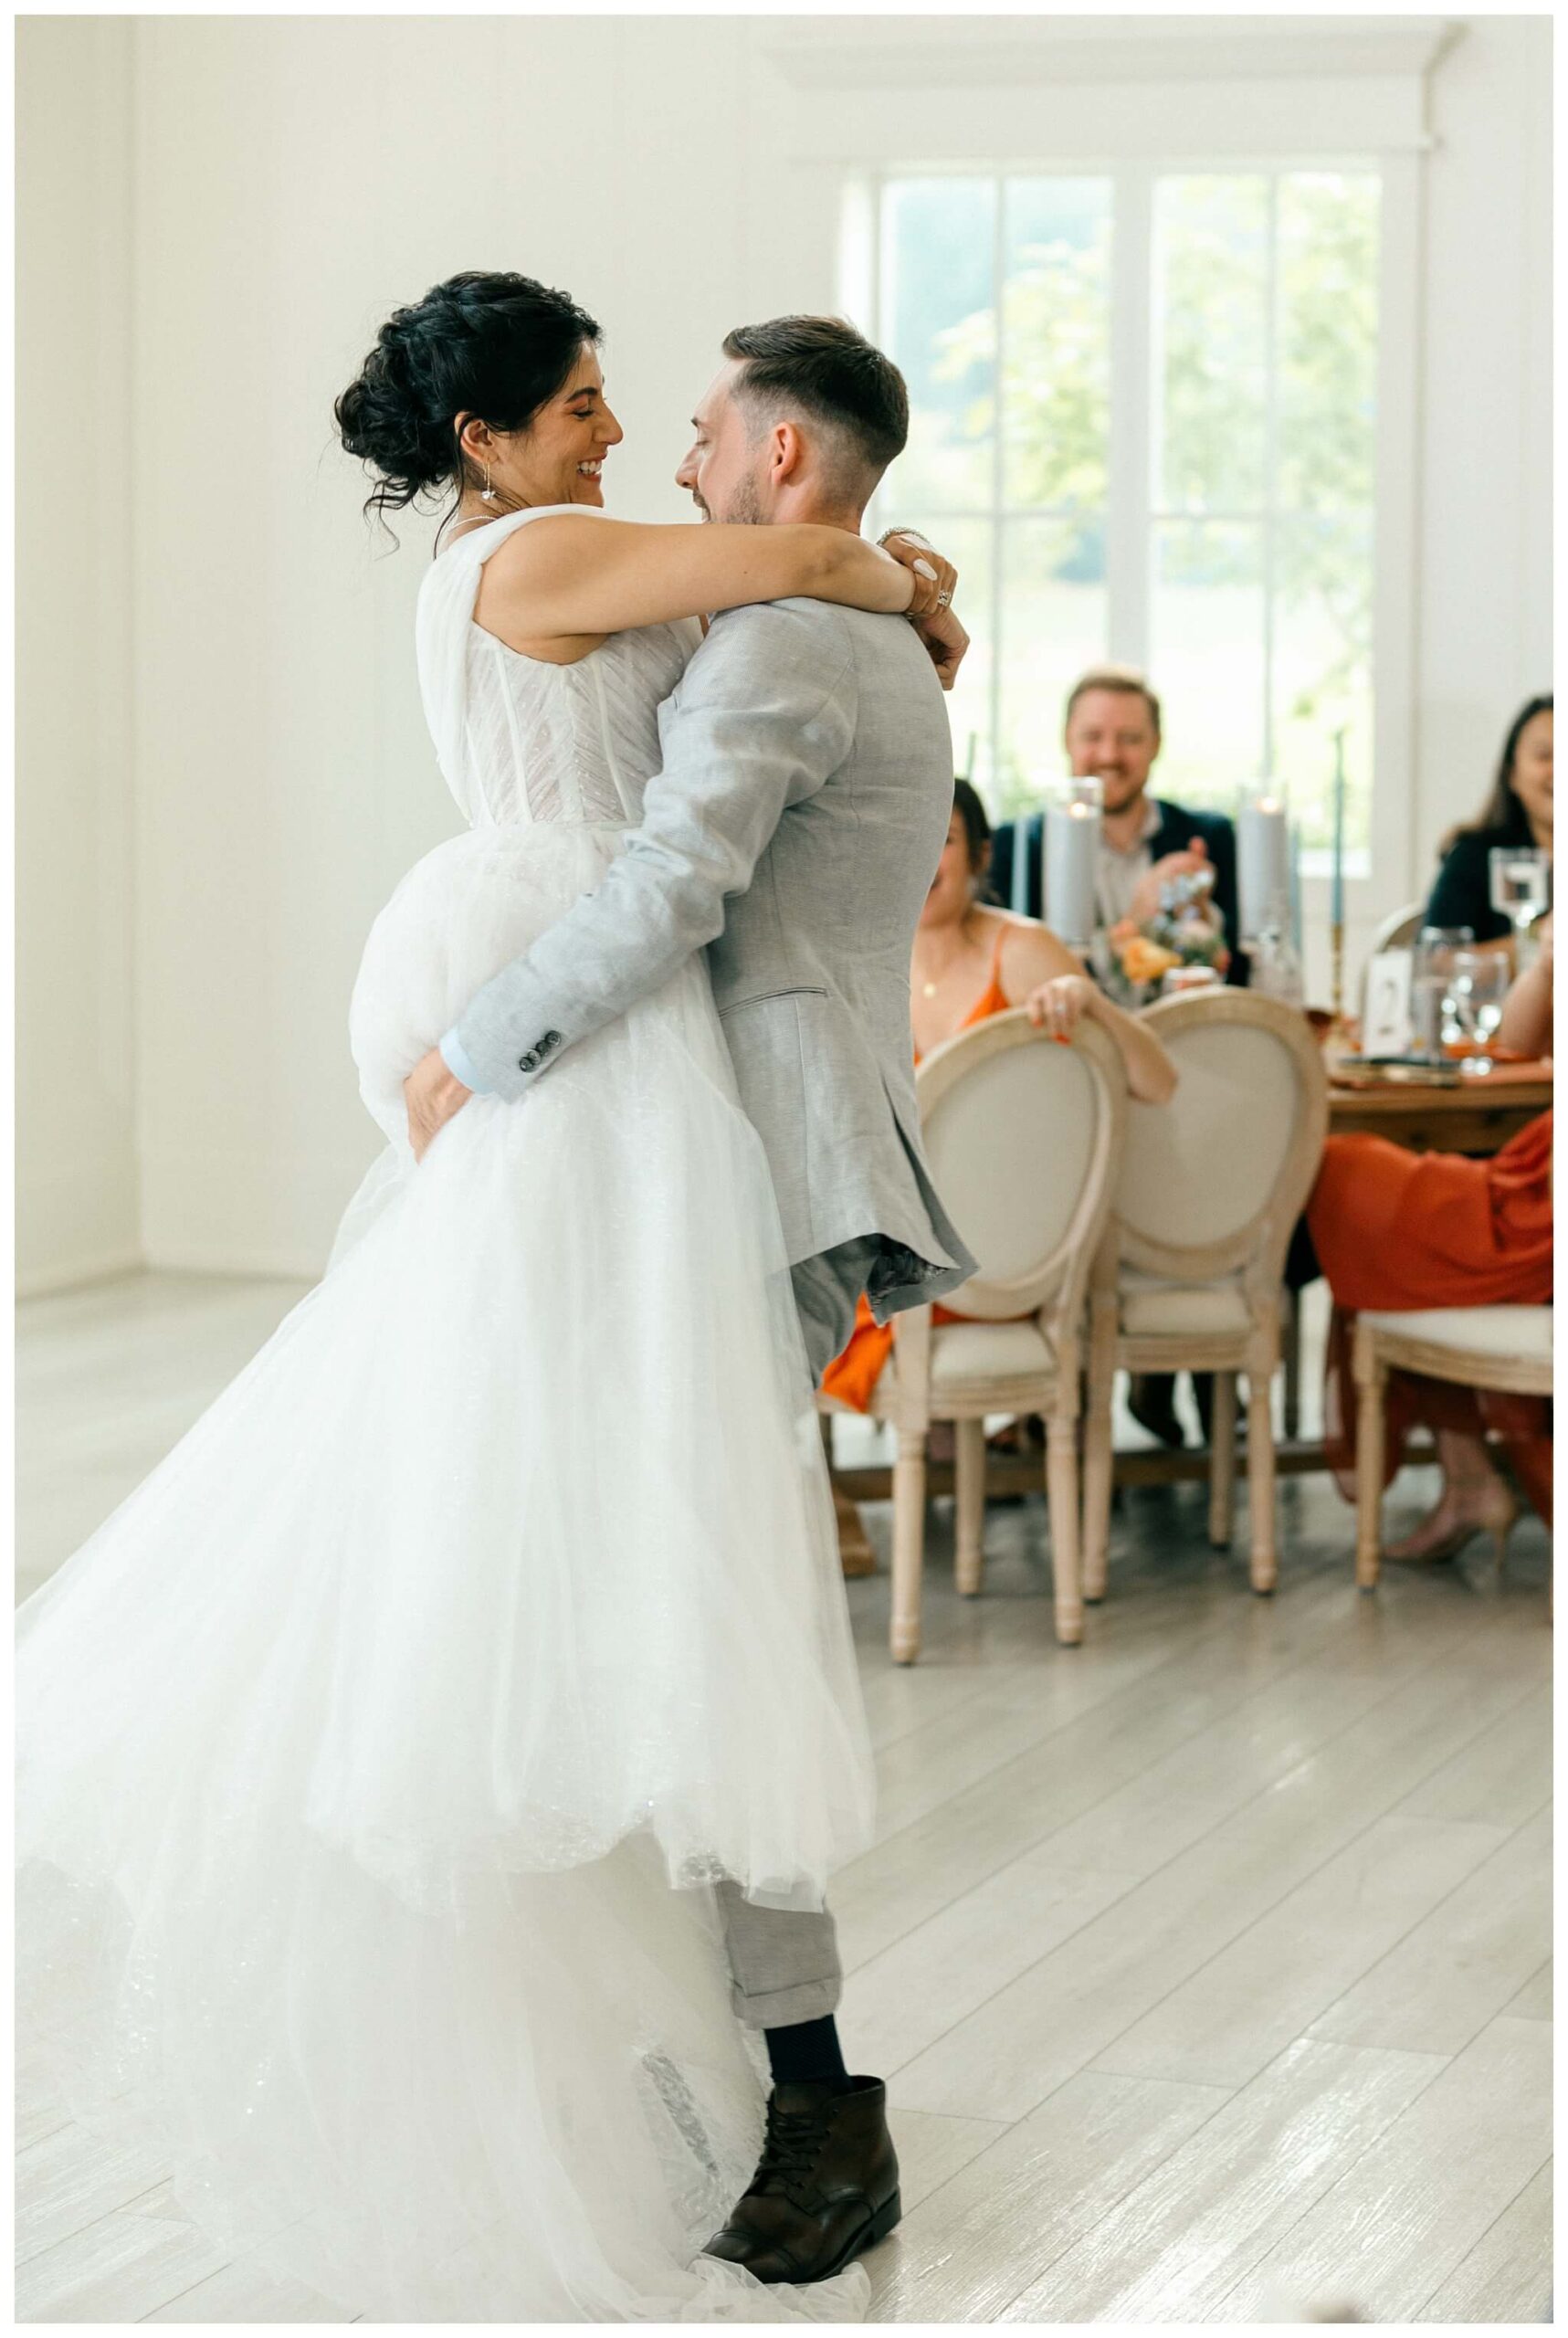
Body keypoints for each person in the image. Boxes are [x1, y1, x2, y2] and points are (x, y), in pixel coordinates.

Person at [16, 279, 973, 2322]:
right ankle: (778, 2087)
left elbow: (776, 603)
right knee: (645, 1582)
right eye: (587, 403)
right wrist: (884, 570)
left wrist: (894, 587)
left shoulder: (598, 564)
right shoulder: (542, 554)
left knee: (630, 1583)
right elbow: (779, 596)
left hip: (637, 1081)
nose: (630, 433)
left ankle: (750, 2082)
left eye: (654, 407)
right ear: (485, 439)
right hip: (595, 1066)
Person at [820, 778, 1178, 1422]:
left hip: (1003, 1255)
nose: (918, 853)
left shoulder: (1021, 950)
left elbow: (1159, 1082)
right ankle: (843, 1496)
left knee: (787, 1296)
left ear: (981, 857)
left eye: (943, 838)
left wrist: (1090, 1001)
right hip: (892, 1247)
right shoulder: (857, 960)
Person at [1307, 923, 1553, 1557]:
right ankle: (1467, 1474)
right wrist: (1549, 963)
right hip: (1532, 1169)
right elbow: (1520, 1041)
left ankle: (1470, 1478)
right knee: (1360, 1187)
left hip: (1542, 1205)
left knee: (1348, 1178)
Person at [987, 665, 1245, 982]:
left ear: (1156, 744)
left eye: (1130, 739)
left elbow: (1244, 974)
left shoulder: (1208, 837)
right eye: (1093, 736)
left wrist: (1205, 920)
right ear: (1067, 739)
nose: (1110, 755)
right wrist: (1135, 924)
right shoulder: (1017, 846)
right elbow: (1012, 980)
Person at [1425, 694, 1552, 945]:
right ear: (1512, 773)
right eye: (1544, 756)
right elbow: (1438, 964)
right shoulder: (1475, 856)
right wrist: (1541, 938)